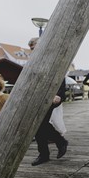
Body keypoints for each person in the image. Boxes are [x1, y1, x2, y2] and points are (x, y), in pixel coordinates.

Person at [29, 38, 68, 166]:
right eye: (31, 49)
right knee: (39, 126)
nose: (32, 51)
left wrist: (59, 95)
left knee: (40, 125)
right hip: (37, 98)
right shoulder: (33, 62)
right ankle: (57, 143)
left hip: (52, 97)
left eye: (34, 48)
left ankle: (46, 152)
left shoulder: (54, 59)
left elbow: (60, 77)